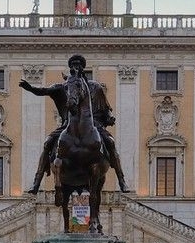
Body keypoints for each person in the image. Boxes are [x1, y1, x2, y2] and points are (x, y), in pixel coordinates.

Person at [19, 53, 130, 193]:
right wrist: (30, 88)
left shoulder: (95, 87)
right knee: (47, 143)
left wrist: (109, 117)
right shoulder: (64, 87)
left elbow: (106, 107)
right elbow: (44, 91)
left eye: (78, 65)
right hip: (67, 125)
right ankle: (36, 182)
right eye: (72, 65)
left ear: (83, 68)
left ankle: (122, 180)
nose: (75, 67)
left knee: (110, 143)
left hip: (95, 125)